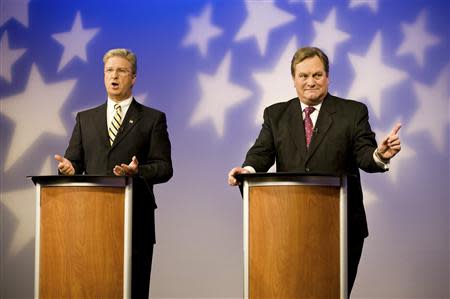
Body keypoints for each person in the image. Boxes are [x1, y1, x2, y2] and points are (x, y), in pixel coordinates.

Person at [227, 46, 401, 296]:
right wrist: (247, 170)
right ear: (294, 79)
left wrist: (380, 155)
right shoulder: (276, 114)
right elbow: (261, 153)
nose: (311, 82)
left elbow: (366, 155)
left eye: (317, 75)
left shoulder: (352, 112)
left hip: (341, 228)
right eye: (304, 76)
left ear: (327, 77)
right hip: (289, 226)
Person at [55, 48, 173, 298]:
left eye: (121, 70)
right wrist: (70, 168)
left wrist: (137, 171)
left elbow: (164, 167)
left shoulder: (152, 119)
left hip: (135, 221)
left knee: (133, 289)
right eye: (109, 70)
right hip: (91, 220)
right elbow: (74, 161)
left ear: (133, 77)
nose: (114, 76)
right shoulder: (85, 119)